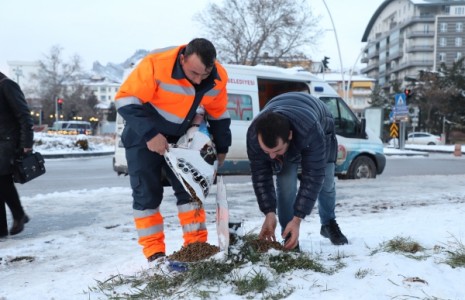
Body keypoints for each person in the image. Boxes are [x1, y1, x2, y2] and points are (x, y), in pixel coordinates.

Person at [115, 38, 231, 262]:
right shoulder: (156, 63)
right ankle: (155, 255)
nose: (198, 80)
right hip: (143, 136)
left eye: (203, 75)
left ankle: (195, 249)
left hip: (183, 139)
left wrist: (222, 147)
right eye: (193, 73)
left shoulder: (219, 76)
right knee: (146, 196)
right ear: (182, 58)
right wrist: (150, 135)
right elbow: (125, 100)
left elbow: (218, 113)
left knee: (191, 192)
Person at [246, 92, 348, 250]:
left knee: (326, 181)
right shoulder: (254, 136)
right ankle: (288, 236)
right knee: (285, 184)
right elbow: (261, 177)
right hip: (283, 108)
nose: (272, 156)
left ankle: (328, 223)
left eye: (277, 150)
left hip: (321, 122)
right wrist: (269, 212)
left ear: (290, 136)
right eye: (267, 152)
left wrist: (298, 219)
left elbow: (313, 177)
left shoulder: (311, 131)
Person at [0, 72, 33, 238]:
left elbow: (24, 116)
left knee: (2, 180)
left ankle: (19, 214)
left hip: (8, 141)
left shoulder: (7, 85)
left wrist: (27, 143)